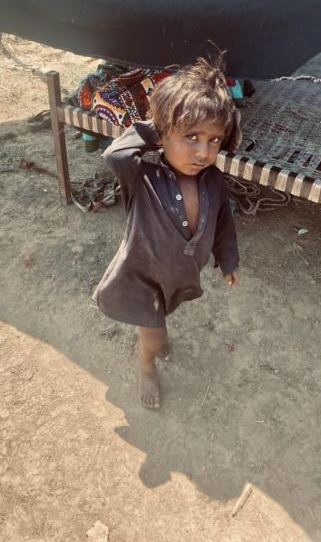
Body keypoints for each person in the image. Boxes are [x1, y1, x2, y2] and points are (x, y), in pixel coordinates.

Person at [93, 57, 242, 409]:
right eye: (190, 137)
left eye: (213, 140)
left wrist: (228, 259)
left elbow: (223, 222)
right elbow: (115, 154)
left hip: (177, 275)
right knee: (153, 333)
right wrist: (157, 127)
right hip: (140, 277)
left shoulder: (214, 181)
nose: (203, 151)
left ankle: (156, 337)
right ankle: (146, 366)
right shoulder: (141, 176)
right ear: (163, 135)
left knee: (163, 319)